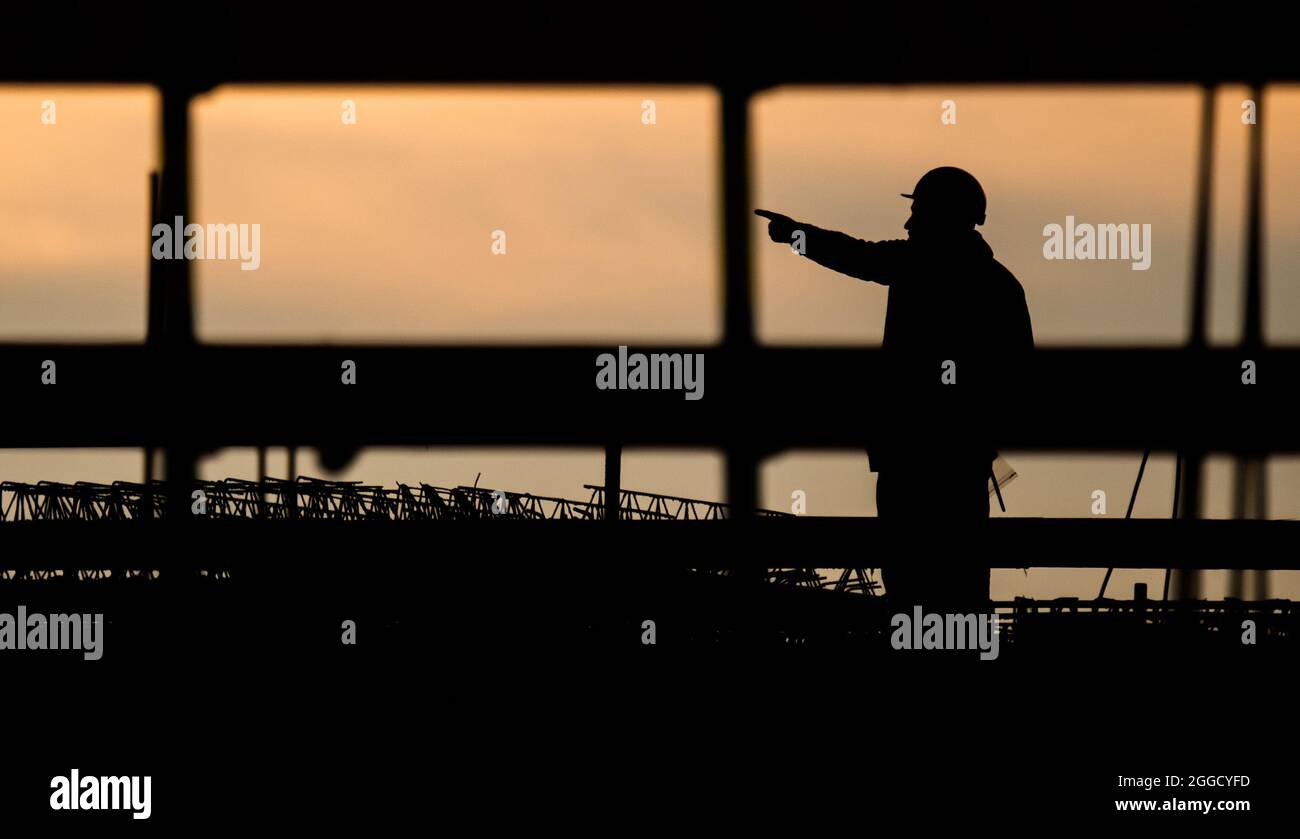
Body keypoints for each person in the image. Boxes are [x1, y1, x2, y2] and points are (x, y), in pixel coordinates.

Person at [756, 167, 1033, 609]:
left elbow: (855, 256)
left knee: (909, 578)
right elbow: (1020, 377)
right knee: (959, 577)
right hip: (961, 459)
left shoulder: (916, 266)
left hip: (914, 455)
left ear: (942, 216)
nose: (908, 224)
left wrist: (795, 236)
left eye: (917, 212)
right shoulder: (1000, 285)